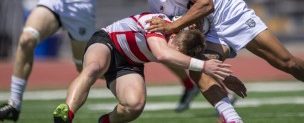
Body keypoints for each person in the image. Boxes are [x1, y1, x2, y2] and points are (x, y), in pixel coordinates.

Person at [117, 0, 304, 121]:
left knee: (288, 63)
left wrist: (173, 27)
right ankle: (233, 119)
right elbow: (191, 34)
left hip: (233, 17)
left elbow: (206, 4)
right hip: (210, 35)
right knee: (197, 70)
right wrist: (222, 74)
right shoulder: (154, 3)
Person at [52, 12, 241, 123]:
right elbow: (163, 54)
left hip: (130, 63)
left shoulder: (180, 42)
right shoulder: (158, 23)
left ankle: (105, 121)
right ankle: (66, 113)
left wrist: (226, 77)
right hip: (108, 43)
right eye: (176, 50)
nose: (176, 56)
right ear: (173, 36)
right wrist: (204, 65)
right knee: (93, 68)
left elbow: (199, 64)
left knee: (135, 105)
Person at [0, 0, 102, 122]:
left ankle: (124, 83)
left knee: (85, 68)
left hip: (79, 6)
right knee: (26, 39)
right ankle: (14, 104)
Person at [162, 0, 230, 112]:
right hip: (173, 5)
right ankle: (191, 86)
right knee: (164, 48)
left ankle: (223, 96)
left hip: (195, 5)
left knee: (201, 52)